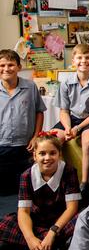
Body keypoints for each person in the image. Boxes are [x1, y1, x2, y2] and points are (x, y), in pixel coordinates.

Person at [0, 133, 79, 250]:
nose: (47, 158)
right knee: (6, 222)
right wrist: (30, 238)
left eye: (52, 153)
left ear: (59, 154)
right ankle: (50, 249)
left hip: (61, 221)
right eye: (42, 153)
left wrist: (52, 233)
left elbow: (72, 208)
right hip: (38, 219)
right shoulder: (26, 175)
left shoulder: (69, 171)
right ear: (35, 156)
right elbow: (24, 211)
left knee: (82, 220)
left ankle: (26, 246)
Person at [53, 44, 89, 196]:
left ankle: (84, 184)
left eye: (88, 57)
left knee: (88, 141)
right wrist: (68, 128)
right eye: (79, 58)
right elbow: (63, 111)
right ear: (73, 61)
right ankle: (60, 180)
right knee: (51, 139)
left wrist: (78, 129)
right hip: (70, 119)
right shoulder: (65, 83)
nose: (84, 61)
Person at [0, 49, 46, 195]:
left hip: (25, 146)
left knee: (24, 189)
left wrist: (36, 136)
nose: (6, 69)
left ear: (19, 67)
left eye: (11, 65)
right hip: (2, 145)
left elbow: (39, 111)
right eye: (2, 65)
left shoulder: (30, 87)